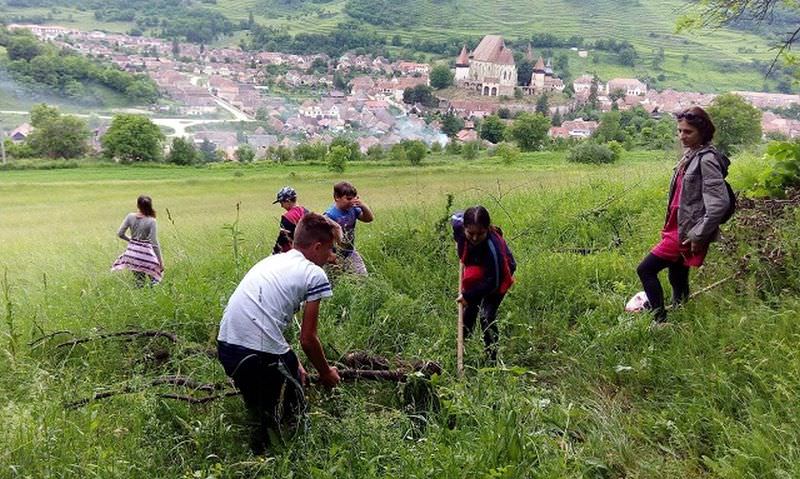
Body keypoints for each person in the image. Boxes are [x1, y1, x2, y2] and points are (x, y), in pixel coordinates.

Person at [217, 213, 342, 453]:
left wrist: (290, 360)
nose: (331, 256)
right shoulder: (314, 274)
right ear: (317, 247)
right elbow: (307, 339)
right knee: (283, 411)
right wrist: (326, 373)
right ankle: (279, 451)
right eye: (330, 249)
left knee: (264, 404)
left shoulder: (272, 261)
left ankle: (267, 434)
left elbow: (267, 318)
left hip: (227, 347)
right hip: (257, 355)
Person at [636, 106, 731, 323]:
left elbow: (719, 203)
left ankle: (659, 320)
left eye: (688, 132)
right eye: (679, 131)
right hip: (676, 225)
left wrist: (699, 234)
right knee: (677, 273)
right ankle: (682, 311)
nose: (682, 136)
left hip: (685, 231)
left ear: (703, 132)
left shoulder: (706, 160)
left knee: (645, 270)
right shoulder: (691, 155)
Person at [452, 206, 516, 361]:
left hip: (498, 276)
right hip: (477, 267)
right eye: (470, 233)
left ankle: (492, 356)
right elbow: (455, 218)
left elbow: (493, 282)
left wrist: (468, 295)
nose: (474, 238)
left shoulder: (493, 249)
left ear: (487, 229)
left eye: (480, 234)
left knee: (486, 315)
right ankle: (462, 345)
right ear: (464, 228)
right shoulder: (459, 226)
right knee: (470, 308)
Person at [323, 181, 374, 275]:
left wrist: (362, 205)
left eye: (354, 198)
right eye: (348, 199)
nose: (352, 201)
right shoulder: (330, 215)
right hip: (334, 255)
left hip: (350, 251)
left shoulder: (353, 209)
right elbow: (323, 238)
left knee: (362, 276)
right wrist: (330, 255)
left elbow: (369, 219)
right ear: (337, 197)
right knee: (335, 281)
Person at [112, 195, 163, 286]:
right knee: (156, 280)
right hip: (146, 255)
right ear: (150, 205)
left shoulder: (130, 216)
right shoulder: (151, 221)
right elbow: (154, 243)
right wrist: (160, 262)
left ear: (138, 205)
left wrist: (131, 240)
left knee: (139, 282)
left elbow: (120, 234)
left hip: (132, 254)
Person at [271, 186, 309, 254]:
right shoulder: (306, 211)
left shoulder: (286, 217)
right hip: (309, 250)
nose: (281, 206)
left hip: (294, 253)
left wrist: (274, 253)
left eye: (282, 203)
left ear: (288, 201)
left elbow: (283, 239)